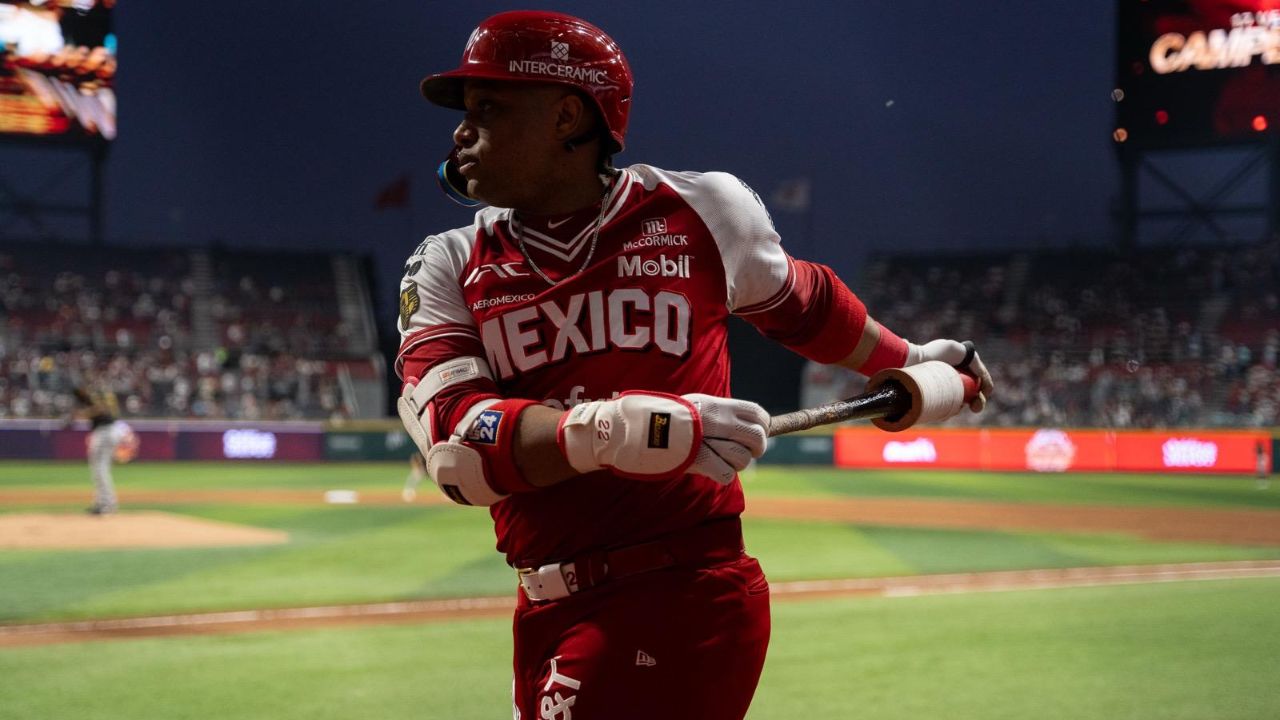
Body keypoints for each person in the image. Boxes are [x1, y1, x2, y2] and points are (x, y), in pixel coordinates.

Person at [395, 11, 993, 719]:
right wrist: (609, 430)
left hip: (679, 592)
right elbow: (457, 451)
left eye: (488, 109)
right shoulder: (447, 262)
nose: (463, 132)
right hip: (544, 607)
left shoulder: (700, 210)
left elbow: (804, 304)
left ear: (567, 116)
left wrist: (915, 361)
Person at [70, 382, 122, 514]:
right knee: (99, 469)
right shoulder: (88, 398)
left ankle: (107, 503)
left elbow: (101, 409)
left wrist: (80, 414)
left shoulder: (94, 397)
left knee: (100, 469)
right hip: (106, 431)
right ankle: (102, 502)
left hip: (105, 431)